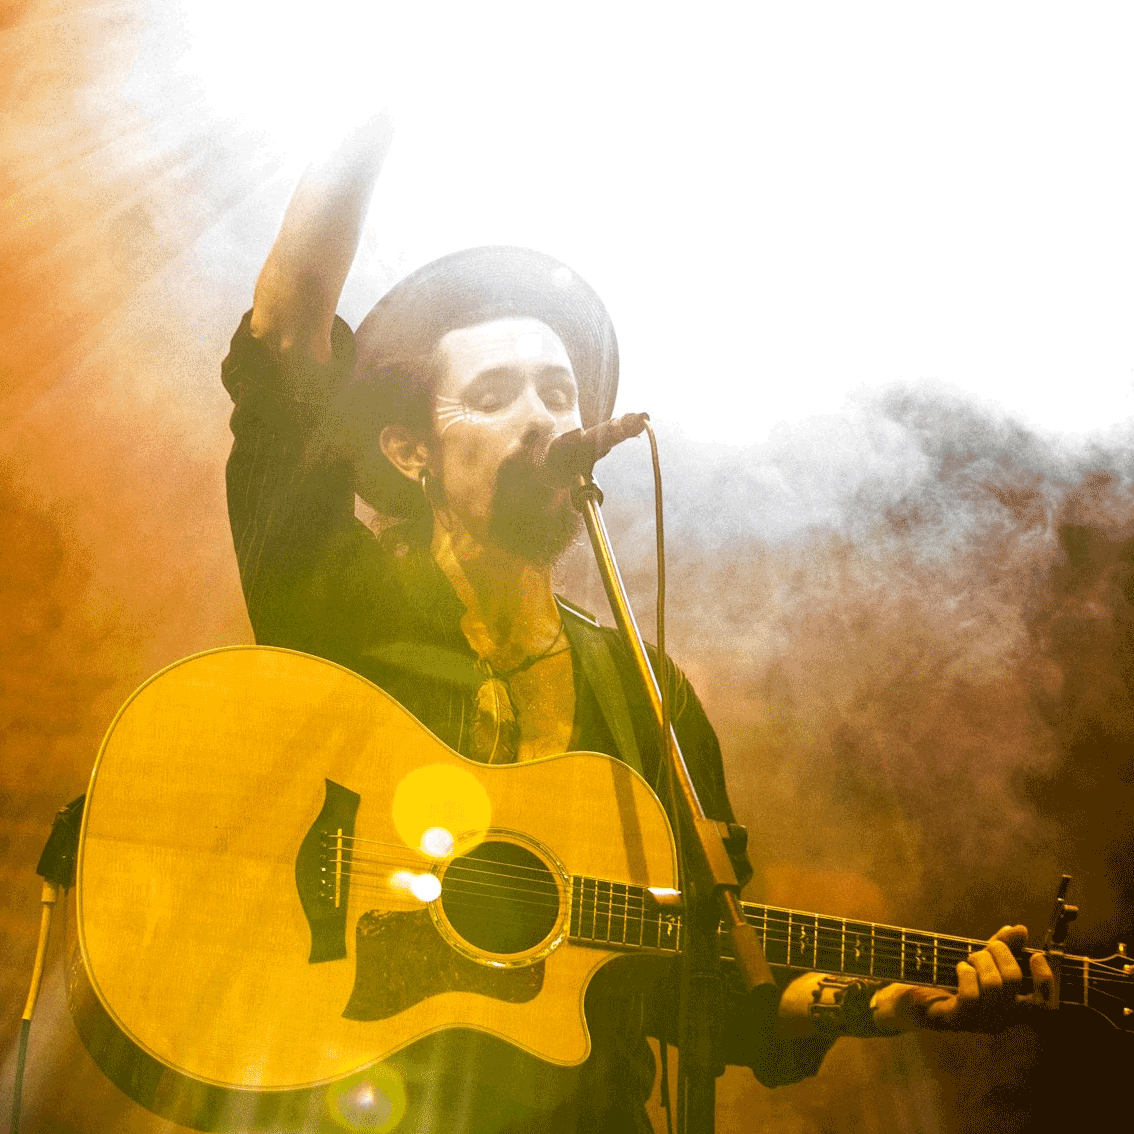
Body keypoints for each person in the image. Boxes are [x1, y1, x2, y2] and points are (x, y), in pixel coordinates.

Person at [221, 114, 1054, 1133]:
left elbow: (717, 983)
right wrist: (372, 106)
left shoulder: (647, 695)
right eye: (494, 394)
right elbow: (285, 341)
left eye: (559, 391)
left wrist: (893, 1005)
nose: (543, 416)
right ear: (409, 451)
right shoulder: (337, 597)